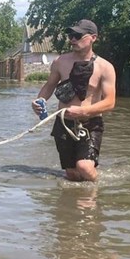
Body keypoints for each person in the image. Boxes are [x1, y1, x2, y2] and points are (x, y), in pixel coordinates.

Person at [31, 19, 116, 182]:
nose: (72, 39)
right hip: (63, 124)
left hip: (90, 124)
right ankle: (73, 203)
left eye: (77, 35)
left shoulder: (105, 67)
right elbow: (49, 86)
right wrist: (39, 100)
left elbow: (110, 102)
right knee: (71, 173)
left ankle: (95, 194)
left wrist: (83, 111)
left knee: (84, 167)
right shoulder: (59, 62)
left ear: (93, 38)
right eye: (70, 35)